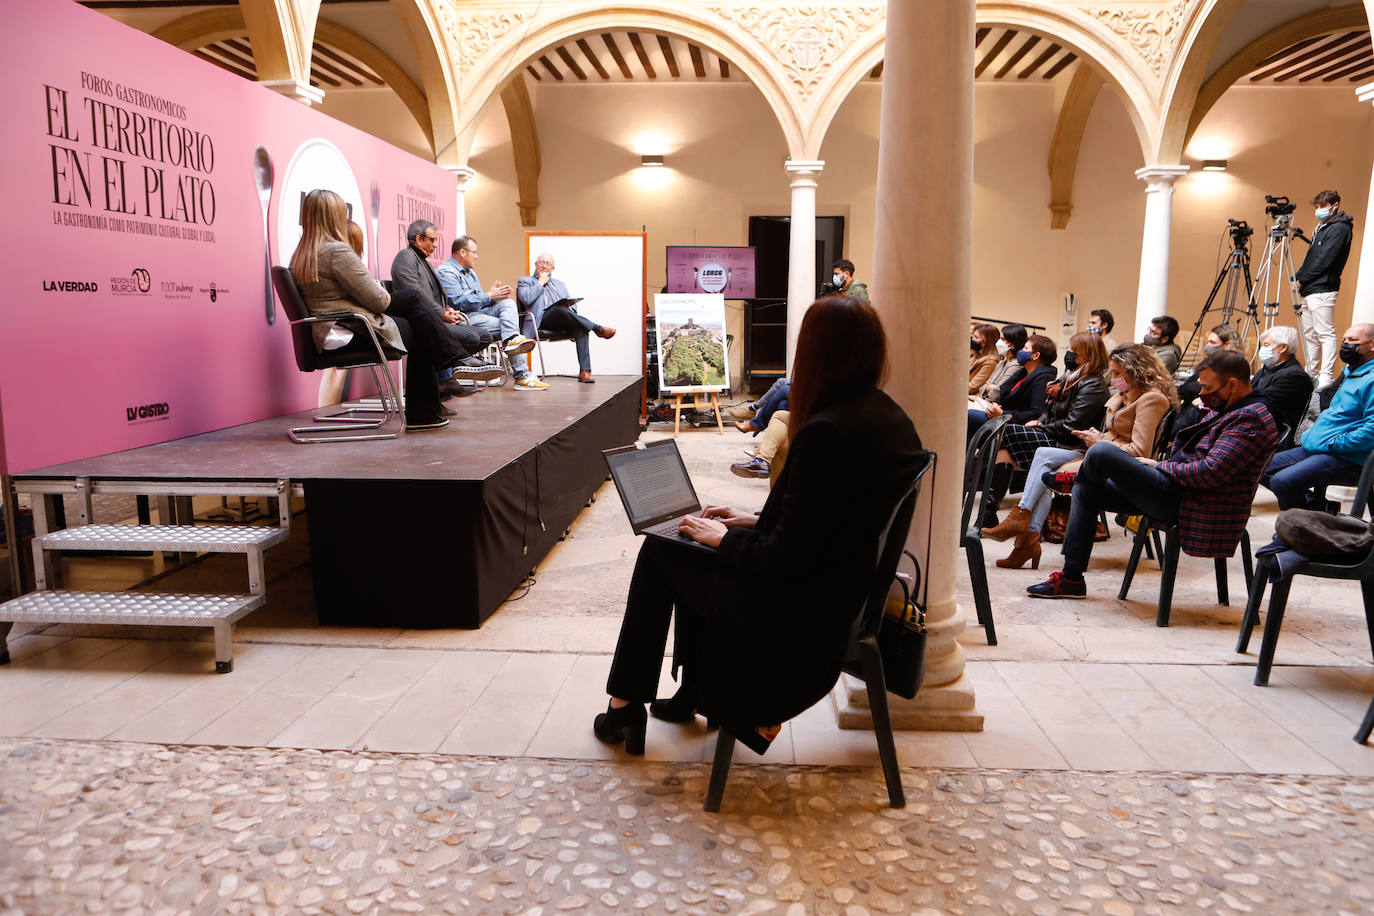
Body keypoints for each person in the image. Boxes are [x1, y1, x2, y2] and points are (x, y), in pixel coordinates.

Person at [593, 297, 922, 756]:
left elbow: (783, 559)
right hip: (839, 594)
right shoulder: (885, 414)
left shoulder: (827, 432)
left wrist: (726, 538)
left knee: (661, 551)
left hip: (796, 615)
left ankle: (625, 706)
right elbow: (832, 519)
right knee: (688, 540)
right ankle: (692, 693)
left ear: (816, 353)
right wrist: (748, 520)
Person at [1026, 349, 1278, 598]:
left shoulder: (1250, 418)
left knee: (1102, 452)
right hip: (1179, 489)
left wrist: (1159, 466)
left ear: (1231, 385)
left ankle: (1081, 475)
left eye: (1208, 388)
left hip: (1197, 502)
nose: (1202, 395)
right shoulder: (1230, 407)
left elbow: (1209, 472)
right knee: (1087, 490)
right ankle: (1071, 578)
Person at [983, 344, 1177, 569]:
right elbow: (1116, 434)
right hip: (1099, 450)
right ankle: (1024, 525)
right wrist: (1098, 436)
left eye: (1117, 373)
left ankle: (1024, 534)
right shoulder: (1125, 395)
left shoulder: (1151, 399)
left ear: (1135, 371)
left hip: (1119, 464)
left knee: (1044, 472)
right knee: (1042, 454)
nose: (1113, 379)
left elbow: (1139, 451)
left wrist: (1100, 441)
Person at [290, 189, 459, 431]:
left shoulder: (301, 254)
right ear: (336, 216)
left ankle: (448, 364)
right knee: (417, 317)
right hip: (351, 330)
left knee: (415, 310)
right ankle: (443, 377)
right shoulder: (336, 251)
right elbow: (379, 301)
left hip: (329, 331)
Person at [979, 333, 1110, 527]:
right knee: (1002, 449)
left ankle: (1008, 515)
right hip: (1054, 434)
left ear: (1087, 355)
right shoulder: (1072, 377)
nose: (1070, 355)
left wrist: (1041, 425)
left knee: (1004, 431)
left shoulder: (1092, 384)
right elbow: (1048, 410)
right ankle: (989, 515)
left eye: (1075, 352)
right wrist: (1039, 421)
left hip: (1069, 442)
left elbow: (1071, 424)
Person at [1260, 324, 1374, 510]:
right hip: (1321, 446)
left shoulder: (1371, 379)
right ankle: (1314, 513)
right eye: (1344, 340)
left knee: (1283, 481)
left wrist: (1333, 443)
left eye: (1353, 340)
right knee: (1259, 469)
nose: (1346, 345)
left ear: (1372, 345)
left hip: (1349, 456)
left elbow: (1371, 430)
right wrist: (1312, 436)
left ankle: (1295, 534)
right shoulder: (1350, 373)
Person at [389, 220, 502, 396]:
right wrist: (441, 313)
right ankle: (452, 369)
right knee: (472, 338)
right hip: (417, 323)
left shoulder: (422, 261)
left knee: (484, 336)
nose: (435, 245)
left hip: (431, 318)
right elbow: (414, 294)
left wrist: (447, 310)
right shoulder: (405, 257)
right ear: (419, 239)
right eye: (432, 240)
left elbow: (430, 296)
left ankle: (445, 381)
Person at [436, 236, 541, 389]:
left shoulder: (470, 273)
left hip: (479, 313)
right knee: (509, 327)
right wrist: (488, 296)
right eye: (474, 252)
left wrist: (494, 296)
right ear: (463, 252)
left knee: (507, 303)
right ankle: (522, 375)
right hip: (464, 318)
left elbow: (479, 301)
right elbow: (458, 302)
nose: (477, 256)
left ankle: (513, 343)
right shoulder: (446, 272)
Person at [516, 252, 616, 384]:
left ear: (552, 268)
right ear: (535, 264)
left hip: (561, 318)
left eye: (548, 263)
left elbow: (572, 306)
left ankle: (585, 371)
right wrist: (540, 282)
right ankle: (597, 328)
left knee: (580, 327)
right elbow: (527, 299)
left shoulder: (559, 284)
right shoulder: (525, 281)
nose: (544, 266)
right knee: (559, 309)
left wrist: (570, 309)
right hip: (540, 320)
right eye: (541, 262)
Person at [1292, 190, 1355, 390]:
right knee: (1310, 333)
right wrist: (1299, 277)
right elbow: (1311, 257)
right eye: (1317, 206)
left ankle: (1325, 376)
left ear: (1335, 205)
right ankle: (1311, 372)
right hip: (1311, 288)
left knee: (1324, 333)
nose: (1319, 210)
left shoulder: (1340, 228)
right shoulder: (1323, 227)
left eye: (1322, 206)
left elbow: (1325, 259)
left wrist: (1302, 279)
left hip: (1323, 288)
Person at [968, 333, 1056, 440]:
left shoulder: (1043, 378)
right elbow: (1003, 392)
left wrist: (1003, 414)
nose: (1021, 351)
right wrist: (995, 406)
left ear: (1035, 355)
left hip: (1014, 423)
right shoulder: (1023, 372)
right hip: (1000, 416)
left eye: (1026, 348)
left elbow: (1035, 412)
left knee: (969, 416)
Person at [1251, 325, 1312, 450]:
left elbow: (1260, 401)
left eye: (1267, 345)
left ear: (1283, 347)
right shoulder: (1268, 369)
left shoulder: (1294, 376)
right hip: (1254, 423)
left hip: (1269, 433)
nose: (1262, 349)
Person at [981, 324, 1028, 400]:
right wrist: (989, 388)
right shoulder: (1002, 362)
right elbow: (983, 388)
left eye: (1003, 339)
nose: (999, 342)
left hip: (994, 406)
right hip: (985, 401)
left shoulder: (1016, 366)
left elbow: (997, 393)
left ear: (1013, 343)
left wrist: (989, 388)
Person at [968, 323, 1001, 395]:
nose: (972, 339)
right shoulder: (975, 353)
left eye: (976, 337)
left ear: (987, 341)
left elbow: (972, 387)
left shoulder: (991, 362)